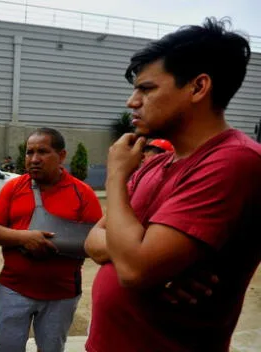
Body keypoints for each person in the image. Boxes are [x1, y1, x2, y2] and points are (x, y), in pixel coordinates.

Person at [84, 18, 261, 352]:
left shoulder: (234, 161)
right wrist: (145, 262)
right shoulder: (160, 164)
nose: (131, 102)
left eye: (147, 89)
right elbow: (94, 240)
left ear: (198, 87)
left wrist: (116, 177)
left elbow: (135, 270)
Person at [0, 128, 102, 352]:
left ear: (61, 156)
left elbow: (96, 241)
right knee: (4, 347)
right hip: (13, 288)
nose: (34, 159)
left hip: (61, 294)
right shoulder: (13, 187)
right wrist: (24, 237)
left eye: (43, 152)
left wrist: (57, 247)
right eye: (29, 153)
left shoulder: (83, 193)